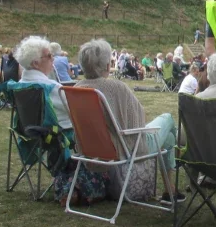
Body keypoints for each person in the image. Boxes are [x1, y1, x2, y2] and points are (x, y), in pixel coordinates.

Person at [74, 39, 185, 203]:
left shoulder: (76, 88)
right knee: (168, 118)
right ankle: (183, 152)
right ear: (106, 65)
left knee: (167, 139)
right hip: (125, 148)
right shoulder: (116, 88)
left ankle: (171, 191)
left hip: (90, 149)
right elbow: (139, 120)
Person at [14, 36, 72, 129]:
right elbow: (75, 110)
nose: (53, 59)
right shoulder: (52, 87)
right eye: (49, 55)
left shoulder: (19, 85)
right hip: (59, 138)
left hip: (30, 139)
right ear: (36, 63)